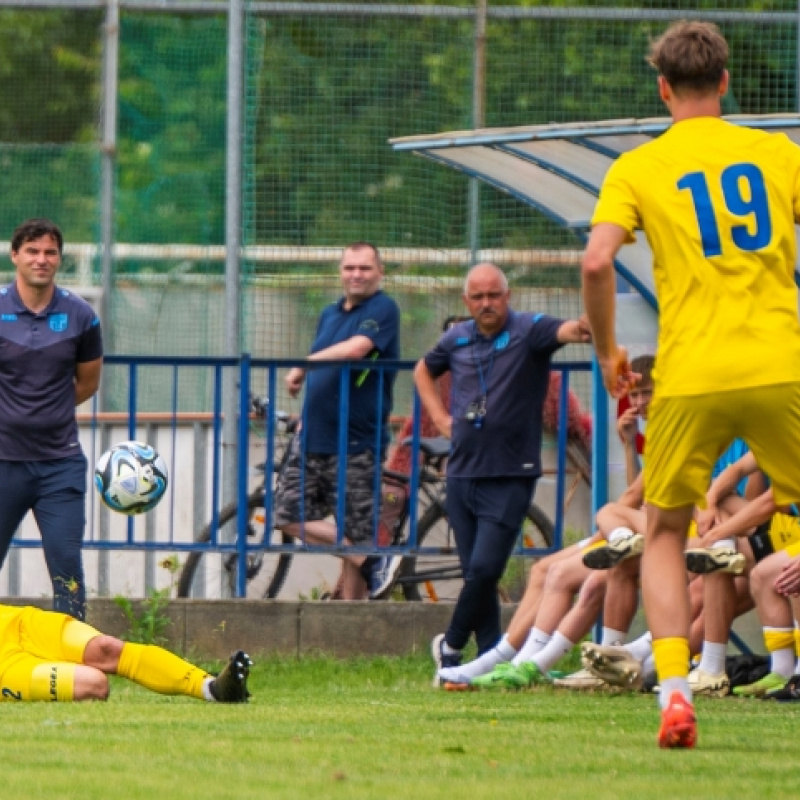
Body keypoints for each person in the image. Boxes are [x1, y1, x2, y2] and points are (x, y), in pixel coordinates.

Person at [581, 20, 800, 748]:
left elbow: (595, 263)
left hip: (692, 373)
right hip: (782, 364)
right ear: (727, 83)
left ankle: (675, 691)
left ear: (663, 88)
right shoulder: (775, 152)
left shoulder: (638, 167)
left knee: (668, 531)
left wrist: (612, 349)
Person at [414, 262, 591, 684]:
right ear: (466, 302)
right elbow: (424, 369)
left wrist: (588, 322)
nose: (487, 303)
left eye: (494, 295)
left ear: (507, 297)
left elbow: (569, 332)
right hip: (462, 473)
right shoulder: (457, 337)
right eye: (478, 297)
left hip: (511, 472)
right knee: (476, 570)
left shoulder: (530, 330)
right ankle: (490, 658)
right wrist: (439, 417)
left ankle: (451, 645)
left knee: (488, 567)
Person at [274, 242, 401, 600]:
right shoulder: (330, 314)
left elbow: (357, 349)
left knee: (358, 528)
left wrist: (302, 364)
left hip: (356, 442)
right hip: (313, 436)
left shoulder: (382, 308)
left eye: (364, 268)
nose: (356, 275)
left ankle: (351, 619)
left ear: (380, 272)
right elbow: (330, 370)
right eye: (349, 268)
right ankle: (369, 559)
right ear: (340, 272)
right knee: (286, 513)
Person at [0, 218, 103, 622]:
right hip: (4, 462)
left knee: (67, 570)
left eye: (50, 252)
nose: (41, 260)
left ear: (59, 259)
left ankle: (77, 665)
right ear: (15, 256)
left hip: (60, 465)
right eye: (32, 251)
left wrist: (45, 412)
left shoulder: (82, 316)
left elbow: (87, 384)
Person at [0, 602, 251, 703]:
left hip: (14, 623)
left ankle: (212, 688)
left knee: (104, 648)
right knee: (94, 684)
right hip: (4, 668)